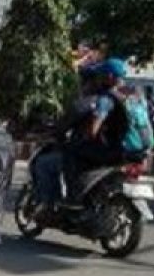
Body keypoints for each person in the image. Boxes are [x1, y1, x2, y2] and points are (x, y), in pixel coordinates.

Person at [32, 62, 102, 210]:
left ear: (86, 83)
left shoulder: (84, 104)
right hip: (109, 155)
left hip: (86, 155)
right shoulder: (114, 100)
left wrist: (55, 133)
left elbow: (62, 127)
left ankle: (50, 206)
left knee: (43, 165)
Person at [63, 57, 130, 199]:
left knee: (71, 153)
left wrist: (86, 136)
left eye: (100, 76)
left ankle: (73, 197)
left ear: (109, 77)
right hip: (128, 149)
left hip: (112, 150)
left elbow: (93, 130)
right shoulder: (131, 95)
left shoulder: (106, 99)